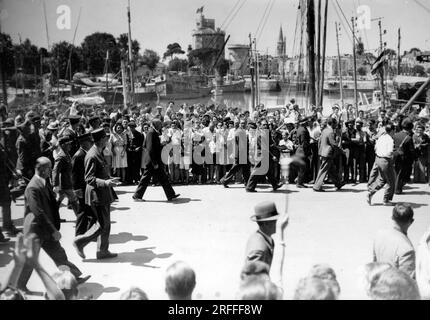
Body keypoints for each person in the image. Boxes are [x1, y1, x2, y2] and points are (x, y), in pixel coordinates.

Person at [17, 157, 89, 291]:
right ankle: (20, 286)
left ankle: (74, 277)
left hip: (46, 229)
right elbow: (38, 212)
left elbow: (50, 205)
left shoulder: (43, 182)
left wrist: (71, 194)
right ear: (43, 170)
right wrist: (53, 230)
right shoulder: (32, 187)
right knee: (30, 261)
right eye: (50, 168)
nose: (51, 170)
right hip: (35, 231)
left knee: (59, 255)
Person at [73, 128, 119, 260]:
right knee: (103, 225)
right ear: (101, 140)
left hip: (102, 193)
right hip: (97, 194)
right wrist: (105, 183)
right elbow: (89, 178)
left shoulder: (98, 151)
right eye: (106, 137)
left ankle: (102, 251)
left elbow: (100, 171)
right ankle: (80, 242)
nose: (107, 139)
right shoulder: (92, 155)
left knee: (105, 224)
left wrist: (109, 178)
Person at [132, 119, 180, 201]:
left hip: (155, 160)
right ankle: (137, 195)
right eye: (159, 124)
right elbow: (150, 149)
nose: (161, 125)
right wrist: (154, 162)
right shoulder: (151, 132)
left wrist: (162, 145)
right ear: (155, 124)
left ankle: (170, 195)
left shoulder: (153, 132)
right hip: (152, 161)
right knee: (146, 178)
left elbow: (149, 146)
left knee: (163, 177)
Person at [373, 203, 416, 279]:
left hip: (378, 285)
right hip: (393, 289)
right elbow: (407, 284)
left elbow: (374, 265)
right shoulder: (407, 250)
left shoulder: (379, 234)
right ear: (411, 221)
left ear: (392, 217)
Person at [245, 120, 283, 192]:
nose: (266, 126)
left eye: (266, 124)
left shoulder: (266, 133)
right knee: (256, 171)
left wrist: (273, 145)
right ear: (260, 126)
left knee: (268, 171)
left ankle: (275, 185)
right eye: (264, 125)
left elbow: (270, 143)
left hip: (265, 154)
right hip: (261, 155)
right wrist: (272, 156)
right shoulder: (259, 135)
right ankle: (249, 187)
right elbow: (264, 147)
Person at [367, 124, 396, 206]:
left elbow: (375, 148)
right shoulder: (390, 139)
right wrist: (395, 152)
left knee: (382, 179)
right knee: (391, 181)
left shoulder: (381, 137)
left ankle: (371, 192)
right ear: (392, 131)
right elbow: (390, 152)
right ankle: (386, 200)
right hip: (385, 160)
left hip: (378, 159)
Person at [71, 133, 95, 236]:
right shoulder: (78, 156)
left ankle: (86, 232)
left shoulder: (85, 153)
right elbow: (74, 174)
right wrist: (77, 189)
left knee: (87, 211)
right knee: (84, 211)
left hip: (86, 187)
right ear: (84, 143)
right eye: (90, 142)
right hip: (82, 188)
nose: (91, 144)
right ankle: (81, 234)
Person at [313, 117, 345, 192]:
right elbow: (333, 144)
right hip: (328, 153)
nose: (336, 126)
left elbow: (320, 142)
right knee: (323, 170)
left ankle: (338, 183)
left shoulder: (324, 130)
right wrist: (341, 150)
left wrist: (320, 152)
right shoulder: (331, 132)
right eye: (335, 124)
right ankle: (317, 186)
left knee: (331, 170)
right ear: (332, 123)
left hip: (323, 152)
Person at [245, 201, 280, 269]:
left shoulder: (265, 238)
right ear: (265, 223)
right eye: (274, 221)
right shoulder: (259, 250)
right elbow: (253, 277)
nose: (276, 223)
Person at [52, 136, 79, 218]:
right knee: (73, 199)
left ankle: (53, 217)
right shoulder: (61, 157)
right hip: (64, 183)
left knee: (59, 199)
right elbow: (55, 171)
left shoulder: (66, 154)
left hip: (66, 181)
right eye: (68, 144)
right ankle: (80, 218)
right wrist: (55, 184)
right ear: (63, 145)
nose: (70, 146)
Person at [220, 119, 250, 188]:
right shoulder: (240, 131)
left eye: (244, 123)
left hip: (240, 153)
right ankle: (224, 180)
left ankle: (247, 183)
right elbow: (241, 144)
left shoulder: (241, 131)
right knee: (235, 169)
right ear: (239, 124)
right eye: (242, 123)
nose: (243, 124)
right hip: (241, 153)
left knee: (245, 169)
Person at [393, 118, 415, 194]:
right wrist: (414, 157)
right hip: (404, 158)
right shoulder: (408, 138)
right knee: (401, 173)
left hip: (396, 156)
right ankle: (398, 189)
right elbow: (411, 150)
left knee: (396, 172)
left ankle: (395, 188)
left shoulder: (396, 135)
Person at [126, 121, 144, 185]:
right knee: (130, 166)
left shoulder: (139, 134)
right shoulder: (127, 134)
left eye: (133, 127)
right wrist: (127, 148)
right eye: (130, 127)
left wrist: (139, 147)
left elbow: (142, 144)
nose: (131, 128)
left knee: (137, 166)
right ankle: (130, 180)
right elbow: (126, 143)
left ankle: (136, 179)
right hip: (130, 152)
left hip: (137, 152)